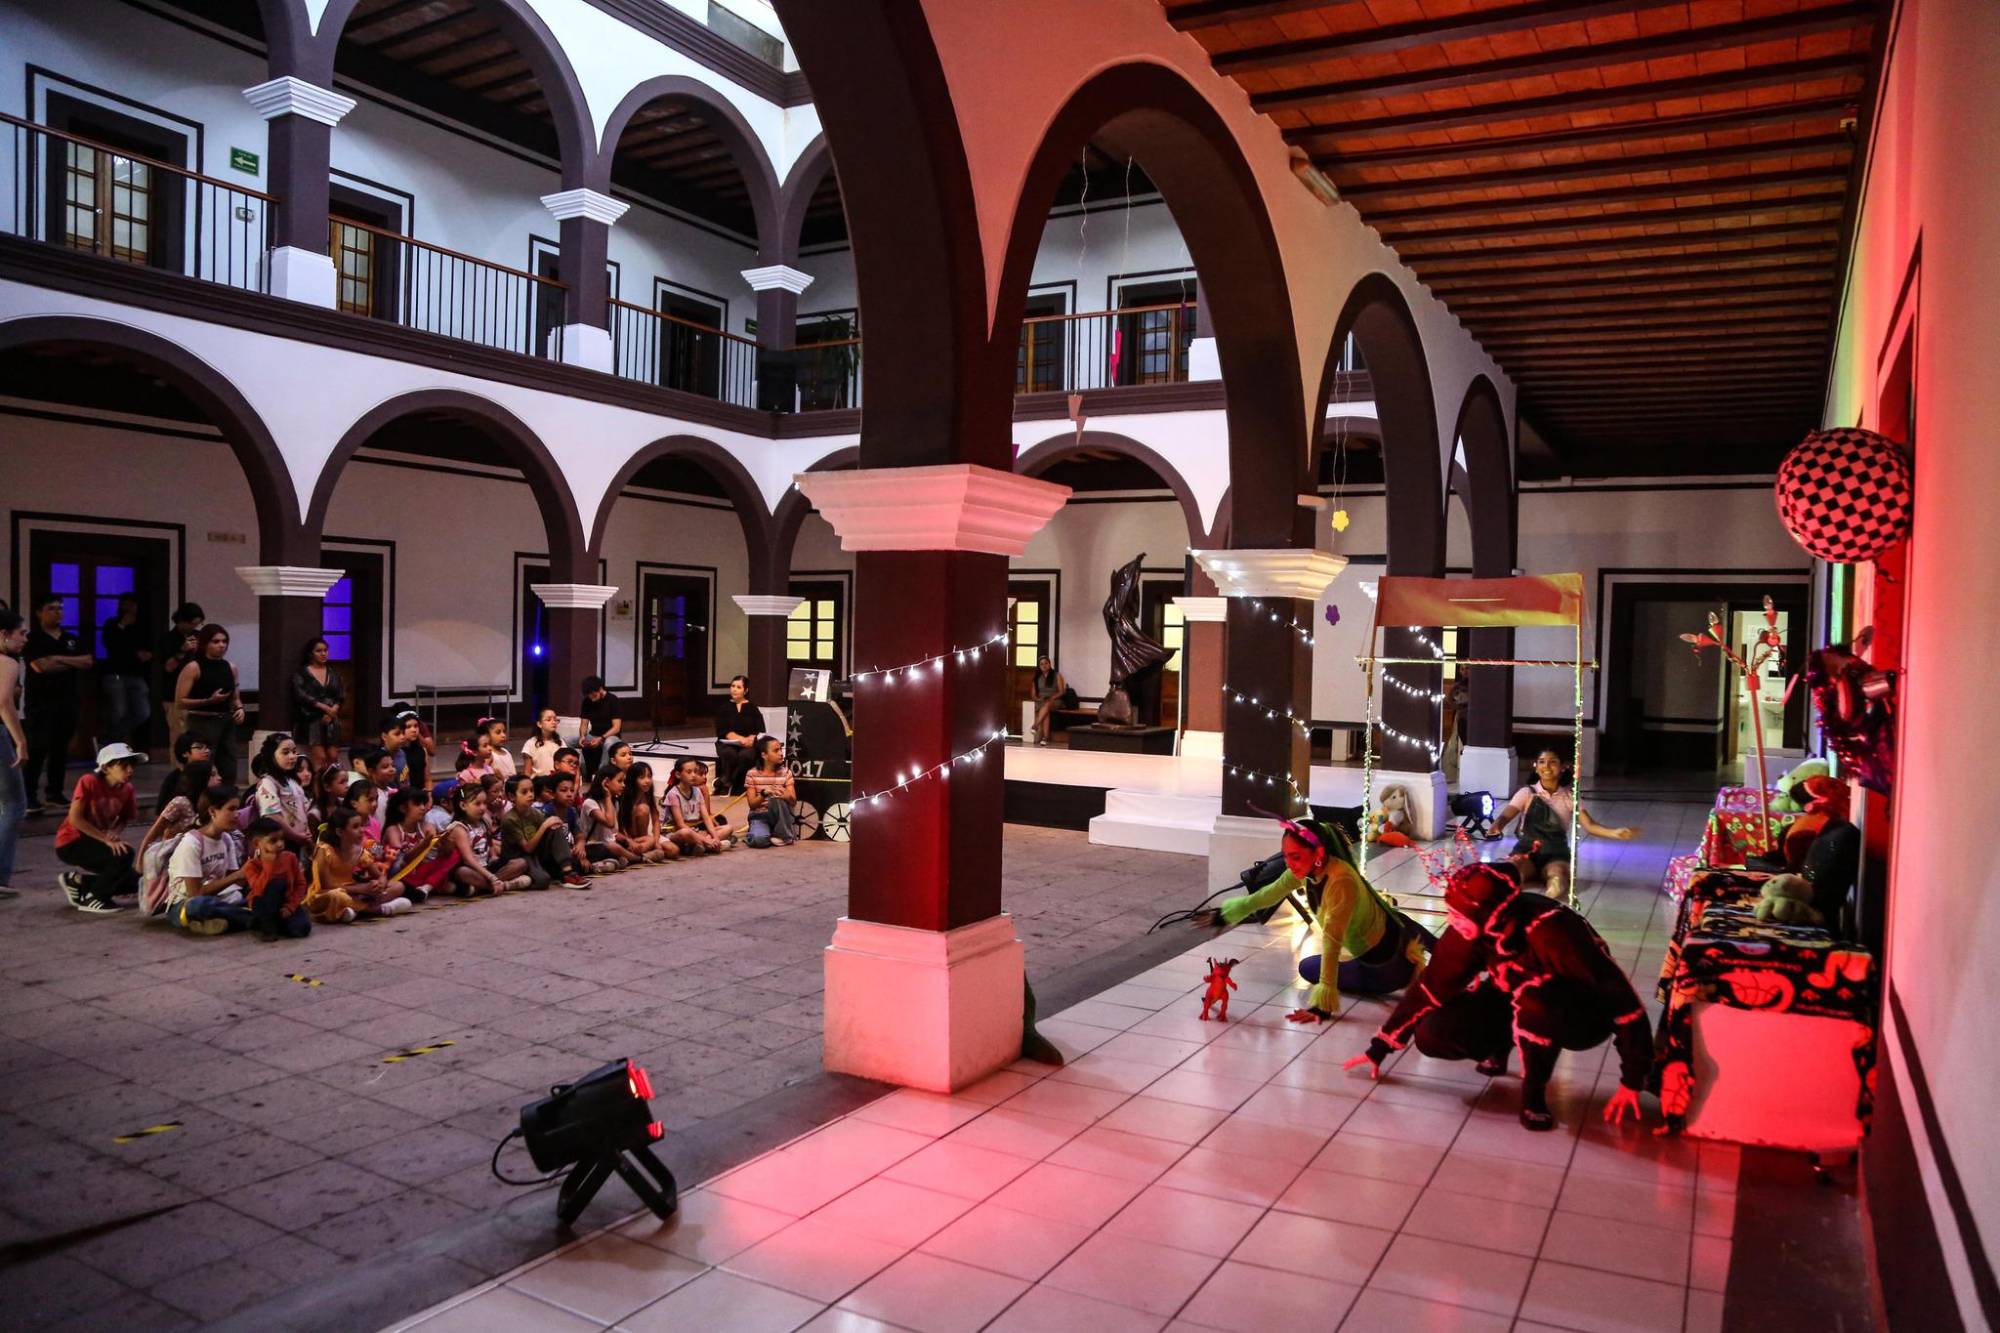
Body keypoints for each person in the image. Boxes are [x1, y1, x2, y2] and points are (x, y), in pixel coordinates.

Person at [1342, 862, 1655, 1132]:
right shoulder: (1470, 931)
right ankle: (1498, 1045)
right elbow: (1429, 989)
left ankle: (1534, 1094)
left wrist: (1633, 1077)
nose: (1453, 921)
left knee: (1535, 1002)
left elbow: (1622, 1002)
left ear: (1491, 917)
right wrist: (1379, 1047)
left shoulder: (1553, 931)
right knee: (1433, 1032)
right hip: (1518, 994)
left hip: (1581, 1012)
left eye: (1459, 915)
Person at [1190, 817, 1434, 1019]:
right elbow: (1266, 895)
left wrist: (1323, 1005)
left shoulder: (1340, 880)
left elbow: (1332, 941)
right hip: (1398, 935)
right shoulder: (1308, 869)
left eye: (1295, 856)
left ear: (1318, 852)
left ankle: (1423, 973)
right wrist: (1225, 914)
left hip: (1385, 969)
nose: (1289, 863)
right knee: (1398, 917)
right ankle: (1444, 953)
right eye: (1286, 856)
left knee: (1308, 968)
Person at [1488, 749, 1639, 906]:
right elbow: (1505, 816)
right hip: (1527, 851)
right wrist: (1497, 825)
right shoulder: (1527, 792)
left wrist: (1615, 833)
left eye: (1552, 761)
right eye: (1541, 761)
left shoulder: (1570, 796)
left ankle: (1543, 910)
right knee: (1512, 871)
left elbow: (1590, 825)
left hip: (1556, 853)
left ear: (1562, 767)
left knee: (1557, 880)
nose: (1546, 766)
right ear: (1536, 766)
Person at [54, 742, 146, 914]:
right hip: (71, 841)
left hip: (96, 839)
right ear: (106, 768)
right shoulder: (88, 781)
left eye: (132, 765)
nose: (130, 770)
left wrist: (114, 833)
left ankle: (79, 882)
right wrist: (105, 839)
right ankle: (95, 897)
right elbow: (75, 819)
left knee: (136, 881)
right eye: (123, 765)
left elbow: (125, 818)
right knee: (125, 854)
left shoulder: (127, 789)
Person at [23, 594, 93, 813]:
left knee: (61, 748)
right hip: (41, 703)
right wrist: (69, 662)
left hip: (68, 701)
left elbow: (87, 661)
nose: (58, 612)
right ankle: (29, 794)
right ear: (39, 613)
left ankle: (55, 792)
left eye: (60, 608)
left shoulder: (71, 638)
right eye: (52, 608)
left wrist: (58, 658)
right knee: (38, 748)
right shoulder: (32, 639)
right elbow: (40, 666)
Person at [163, 785, 250, 935]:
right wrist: (238, 875)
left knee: (257, 893)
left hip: (219, 897)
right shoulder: (192, 843)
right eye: (231, 809)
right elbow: (196, 893)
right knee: (200, 906)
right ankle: (251, 918)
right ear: (212, 811)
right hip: (186, 904)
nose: (237, 814)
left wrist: (255, 869)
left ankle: (215, 922)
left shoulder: (226, 839)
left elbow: (236, 881)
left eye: (238, 809)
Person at [138, 758, 216, 916]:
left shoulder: (214, 802)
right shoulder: (181, 803)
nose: (219, 778)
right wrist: (140, 859)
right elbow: (154, 832)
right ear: (201, 779)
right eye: (213, 775)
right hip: (177, 857)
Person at [309, 808, 411, 923]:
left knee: (398, 886)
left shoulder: (359, 850)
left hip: (354, 891)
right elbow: (327, 886)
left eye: (362, 826)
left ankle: (352, 910)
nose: (362, 830)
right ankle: (377, 910)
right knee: (337, 896)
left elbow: (379, 875)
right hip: (328, 893)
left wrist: (381, 883)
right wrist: (362, 889)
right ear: (340, 832)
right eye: (355, 827)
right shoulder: (323, 850)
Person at [174, 625, 244, 786]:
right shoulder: (193, 667)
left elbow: (235, 697)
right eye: (216, 641)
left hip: (225, 720)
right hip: (202, 721)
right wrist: (208, 701)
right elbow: (180, 701)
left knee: (228, 763)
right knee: (203, 763)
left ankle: (226, 797)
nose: (221, 645)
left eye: (224, 641)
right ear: (205, 644)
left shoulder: (230, 667)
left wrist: (239, 708)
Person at [442, 783, 530, 895]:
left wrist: (493, 856)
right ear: (463, 805)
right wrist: (492, 878)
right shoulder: (459, 828)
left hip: (487, 866)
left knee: (521, 863)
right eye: (477, 804)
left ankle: (482, 887)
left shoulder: (484, 821)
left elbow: (490, 844)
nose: (483, 807)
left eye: (484, 803)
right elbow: (469, 860)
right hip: (472, 868)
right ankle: (505, 885)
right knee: (462, 872)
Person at [240, 817, 313, 940]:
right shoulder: (251, 865)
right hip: (263, 904)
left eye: (282, 839)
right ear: (257, 843)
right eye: (273, 841)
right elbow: (258, 890)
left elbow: (300, 884)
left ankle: (273, 923)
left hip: (286, 902)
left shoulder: (290, 858)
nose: (280, 844)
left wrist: (290, 907)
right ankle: (266, 923)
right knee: (277, 884)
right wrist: (269, 865)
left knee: (302, 928)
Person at [515, 773, 592, 888]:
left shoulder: (571, 811)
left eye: (572, 790)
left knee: (599, 849)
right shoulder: (545, 811)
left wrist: (581, 846)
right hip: (547, 856)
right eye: (564, 790)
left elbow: (579, 835)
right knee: (556, 826)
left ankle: (583, 867)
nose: (569, 794)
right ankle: (568, 875)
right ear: (552, 794)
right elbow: (537, 845)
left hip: (566, 853)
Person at [97, 593, 152, 749]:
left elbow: (147, 645)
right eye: (126, 605)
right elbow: (111, 644)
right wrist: (122, 625)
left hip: (136, 673)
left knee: (143, 712)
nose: (129, 608)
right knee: (118, 712)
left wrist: (147, 654)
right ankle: (113, 745)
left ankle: (110, 737)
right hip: (115, 673)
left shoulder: (142, 625)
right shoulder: (112, 624)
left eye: (132, 605)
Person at [0, 609, 29, 898]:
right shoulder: (7, 662)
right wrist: (20, 740)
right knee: (14, 804)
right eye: (21, 633)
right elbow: (3, 702)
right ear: (3, 635)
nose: (24, 639)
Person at [249, 733, 315, 851]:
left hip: (299, 842)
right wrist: (295, 836)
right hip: (281, 845)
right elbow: (272, 816)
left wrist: (306, 836)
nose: (292, 756)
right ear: (272, 756)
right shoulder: (268, 783)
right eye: (285, 752)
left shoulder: (292, 781)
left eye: (294, 752)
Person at [293, 637, 345, 770]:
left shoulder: (333, 673)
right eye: (319, 651)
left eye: (325, 650)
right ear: (311, 653)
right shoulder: (303, 673)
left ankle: (332, 785)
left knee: (333, 756)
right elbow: (301, 695)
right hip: (312, 718)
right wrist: (324, 708)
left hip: (331, 719)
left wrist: (333, 710)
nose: (323, 653)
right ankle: (317, 789)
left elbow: (340, 694)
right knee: (320, 758)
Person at [156, 602, 203, 740]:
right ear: (181, 621)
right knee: (179, 736)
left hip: (199, 695)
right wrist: (182, 650)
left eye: (197, 624)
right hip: (174, 695)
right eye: (192, 624)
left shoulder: (199, 636)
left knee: (200, 737)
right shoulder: (168, 639)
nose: (194, 627)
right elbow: (168, 667)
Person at [666, 756, 732, 854]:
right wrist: (706, 839)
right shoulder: (673, 794)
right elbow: (680, 825)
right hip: (677, 832)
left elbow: (706, 818)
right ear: (678, 774)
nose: (693, 775)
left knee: (728, 828)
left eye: (695, 771)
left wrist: (715, 837)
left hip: (695, 831)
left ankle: (703, 846)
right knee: (686, 833)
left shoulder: (697, 791)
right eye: (689, 772)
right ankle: (708, 846)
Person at [743, 736, 798, 848]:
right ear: (764, 755)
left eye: (781, 749)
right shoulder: (752, 774)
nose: (781, 753)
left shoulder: (786, 772)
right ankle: (764, 833)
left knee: (777, 799)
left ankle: (784, 836)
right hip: (760, 816)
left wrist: (787, 796)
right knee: (759, 841)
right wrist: (763, 794)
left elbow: (793, 802)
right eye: (776, 750)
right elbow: (752, 804)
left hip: (780, 817)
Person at [712, 675, 764, 794]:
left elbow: (760, 730)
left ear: (745, 690)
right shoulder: (724, 708)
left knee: (746, 756)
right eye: (733, 686)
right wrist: (741, 739)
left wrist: (751, 739)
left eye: (738, 687)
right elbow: (724, 731)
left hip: (748, 745)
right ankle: (729, 782)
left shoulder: (752, 708)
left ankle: (727, 780)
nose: (734, 689)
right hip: (727, 743)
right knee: (730, 754)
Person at [580, 770, 640, 871]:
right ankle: (639, 858)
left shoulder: (613, 802)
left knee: (643, 841)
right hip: (592, 846)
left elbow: (612, 831)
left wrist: (627, 839)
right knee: (614, 848)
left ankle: (613, 861)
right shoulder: (590, 803)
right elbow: (610, 823)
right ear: (606, 782)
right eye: (619, 781)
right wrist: (607, 796)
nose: (623, 785)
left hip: (609, 843)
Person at [620, 762, 677, 863]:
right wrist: (630, 841)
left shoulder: (648, 796)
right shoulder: (625, 798)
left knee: (673, 850)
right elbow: (622, 825)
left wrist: (655, 841)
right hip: (632, 838)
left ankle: (642, 855)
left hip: (647, 838)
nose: (647, 781)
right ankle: (642, 854)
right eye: (642, 778)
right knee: (643, 809)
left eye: (649, 777)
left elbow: (656, 821)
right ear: (633, 779)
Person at [155, 731, 214, 813]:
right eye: (199, 747)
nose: (207, 751)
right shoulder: (174, 778)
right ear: (185, 753)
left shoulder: (212, 773)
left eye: (207, 747)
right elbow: (161, 811)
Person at [577, 676, 620, 779]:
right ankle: (579, 770)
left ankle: (600, 774)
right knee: (568, 740)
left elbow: (616, 727)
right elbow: (584, 724)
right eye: (589, 696)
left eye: (593, 695)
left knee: (609, 743)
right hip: (593, 735)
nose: (591, 698)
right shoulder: (587, 701)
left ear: (600, 689)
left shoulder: (612, 700)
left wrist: (601, 738)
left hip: (610, 736)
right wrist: (582, 736)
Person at [1029, 656, 1068, 746]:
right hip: (1042, 700)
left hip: (1055, 700)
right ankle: (1045, 738)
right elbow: (1033, 695)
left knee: (1047, 705)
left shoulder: (1057, 675)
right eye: (1041, 664)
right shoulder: (1036, 677)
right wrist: (1038, 699)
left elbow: (1062, 691)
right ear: (1039, 666)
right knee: (1046, 711)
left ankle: (1035, 725)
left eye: (1046, 663)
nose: (1044, 666)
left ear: (1049, 664)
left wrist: (1052, 697)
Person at [520, 708, 562, 776]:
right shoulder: (530, 744)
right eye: (548, 720)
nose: (553, 722)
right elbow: (527, 772)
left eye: (555, 720)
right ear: (539, 724)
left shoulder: (560, 741)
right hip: (539, 782)